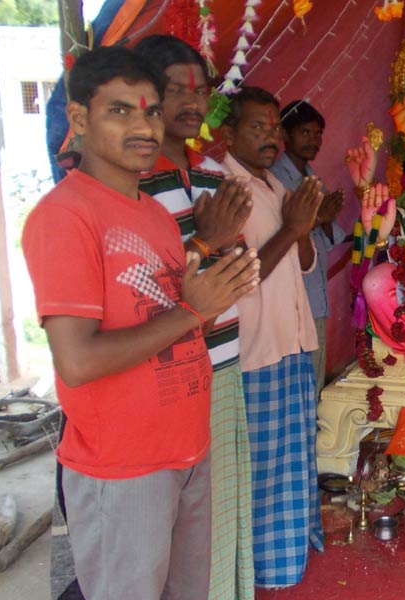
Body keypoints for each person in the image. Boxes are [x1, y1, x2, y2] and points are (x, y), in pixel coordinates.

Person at [21, 46, 260, 599]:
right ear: (79, 120)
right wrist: (194, 309)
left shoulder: (151, 214)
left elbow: (163, 318)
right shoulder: (65, 217)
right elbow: (78, 362)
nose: (144, 125)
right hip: (123, 469)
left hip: (186, 447)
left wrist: (215, 286)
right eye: (120, 111)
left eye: (151, 111)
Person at [133, 34, 256, 600]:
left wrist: (229, 254)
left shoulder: (211, 173)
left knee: (221, 508)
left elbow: (235, 266)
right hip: (168, 372)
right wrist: (207, 245)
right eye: (174, 88)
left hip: (224, 362)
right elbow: (144, 284)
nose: (190, 101)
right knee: (172, 533)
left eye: (199, 89)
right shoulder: (133, 179)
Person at [219, 86, 325, 588]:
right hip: (257, 348)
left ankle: (290, 552)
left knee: (294, 453)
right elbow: (241, 275)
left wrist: (301, 224)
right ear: (229, 132)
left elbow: (304, 263)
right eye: (256, 128)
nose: (271, 138)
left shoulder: (272, 186)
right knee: (263, 467)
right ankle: (263, 568)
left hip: (292, 340)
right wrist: (295, 224)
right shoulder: (224, 188)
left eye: (273, 128)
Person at [270, 100, 345, 396]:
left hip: (315, 294)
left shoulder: (313, 179)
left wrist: (324, 218)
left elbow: (328, 240)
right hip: (290, 297)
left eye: (317, 134)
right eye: (305, 133)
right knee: (295, 381)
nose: (313, 140)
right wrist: (318, 217)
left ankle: (309, 432)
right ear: (285, 136)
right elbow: (279, 232)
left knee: (314, 374)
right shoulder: (275, 178)